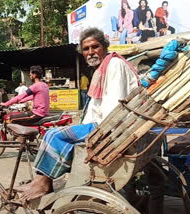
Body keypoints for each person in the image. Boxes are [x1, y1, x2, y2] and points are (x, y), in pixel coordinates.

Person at [16, 27, 140, 202]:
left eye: (95, 47)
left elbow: (114, 107)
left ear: (104, 46)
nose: (90, 52)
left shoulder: (114, 65)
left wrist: (90, 132)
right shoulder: (102, 68)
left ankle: (44, 181)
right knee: (58, 132)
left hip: (109, 128)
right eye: (86, 49)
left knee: (52, 135)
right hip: (105, 125)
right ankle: (43, 178)